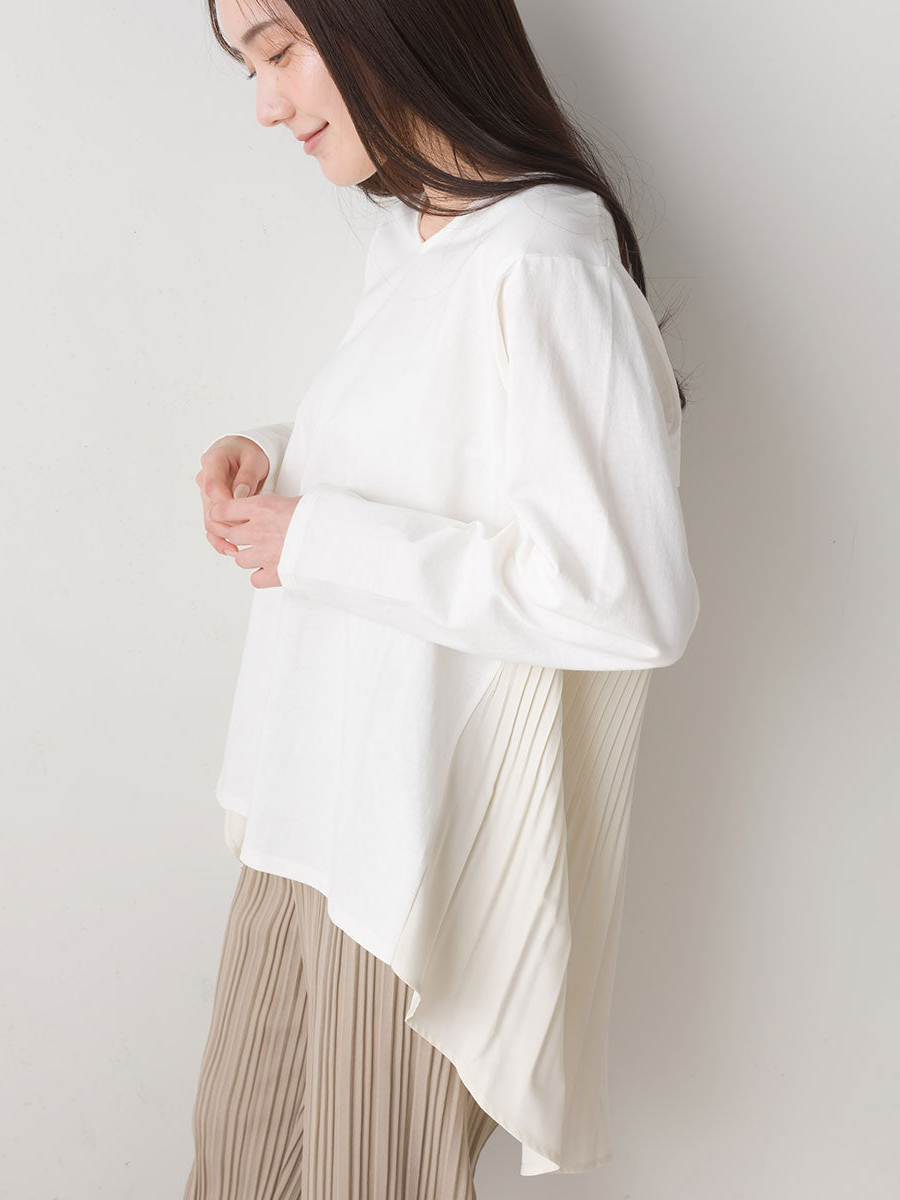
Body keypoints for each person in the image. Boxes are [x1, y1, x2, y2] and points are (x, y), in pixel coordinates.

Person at [185, 0, 701, 1196]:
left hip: (398, 847)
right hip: (305, 809)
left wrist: (319, 541)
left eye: (280, 49)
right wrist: (279, 461)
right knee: (235, 1166)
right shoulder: (416, 235)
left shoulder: (544, 258)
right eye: (250, 64)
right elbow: (443, 466)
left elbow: (624, 596)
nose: (266, 102)